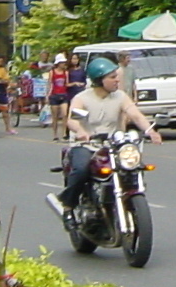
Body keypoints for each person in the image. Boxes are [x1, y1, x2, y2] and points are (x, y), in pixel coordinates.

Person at [60, 57, 160, 207]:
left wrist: (150, 131)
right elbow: (73, 121)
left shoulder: (120, 97)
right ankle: (69, 204)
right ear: (100, 80)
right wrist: (81, 132)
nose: (117, 80)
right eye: (112, 77)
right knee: (81, 170)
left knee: (133, 166)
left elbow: (135, 115)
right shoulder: (83, 99)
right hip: (88, 145)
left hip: (113, 146)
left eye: (116, 76)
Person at [45, 53, 74, 128]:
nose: (64, 64)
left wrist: (75, 83)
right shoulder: (52, 72)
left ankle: (64, 133)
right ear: (58, 63)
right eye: (62, 63)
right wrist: (47, 96)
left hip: (63, 95)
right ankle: (55, 134)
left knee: (64, 114)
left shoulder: (66, 73)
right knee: (55, 117)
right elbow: (49, 84)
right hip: (54, 95)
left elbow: (66, 84)